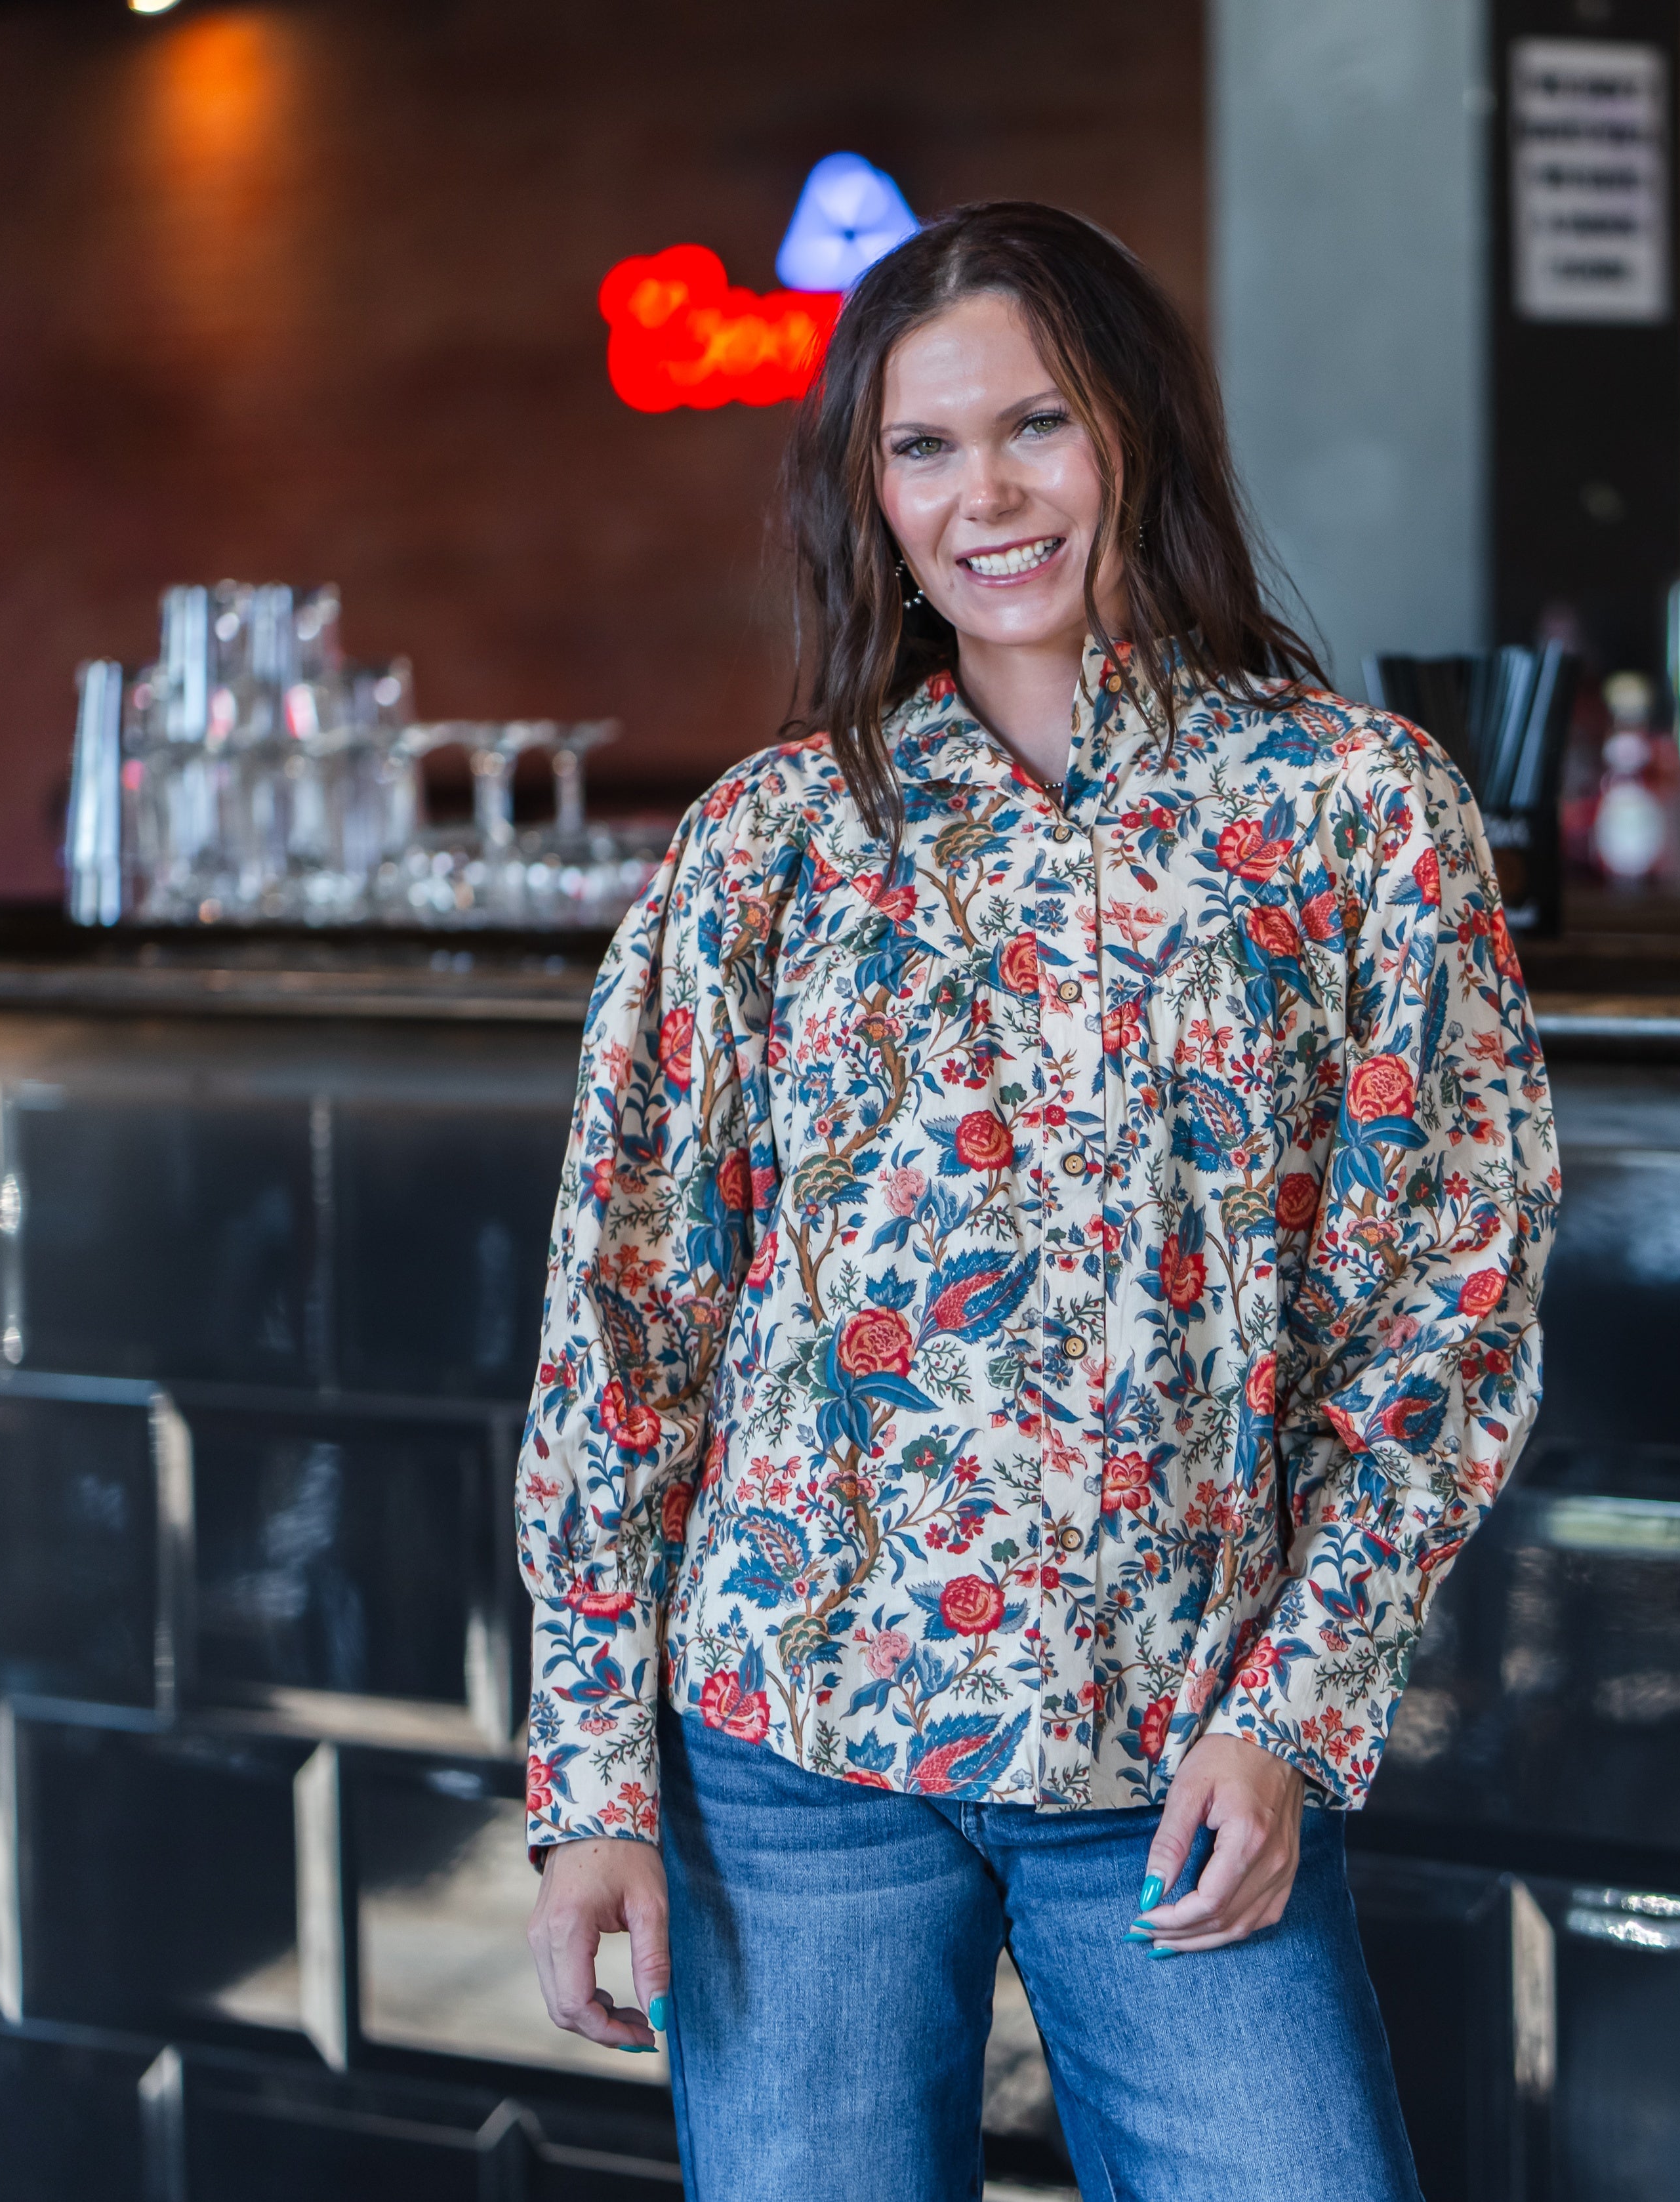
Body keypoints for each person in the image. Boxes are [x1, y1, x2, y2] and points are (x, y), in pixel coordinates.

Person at [518, 199, 1561, 2201]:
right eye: (923, 447)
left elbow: (1447, 1310)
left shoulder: (1355, 812)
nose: (983, 496)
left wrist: (1296, 1711)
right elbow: (624, 1335)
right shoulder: (771, 842)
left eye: (1036, 426)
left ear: (1137, 433)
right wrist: (591, 1786)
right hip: (791, 1754)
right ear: (871, 496)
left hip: (1184, 1744)